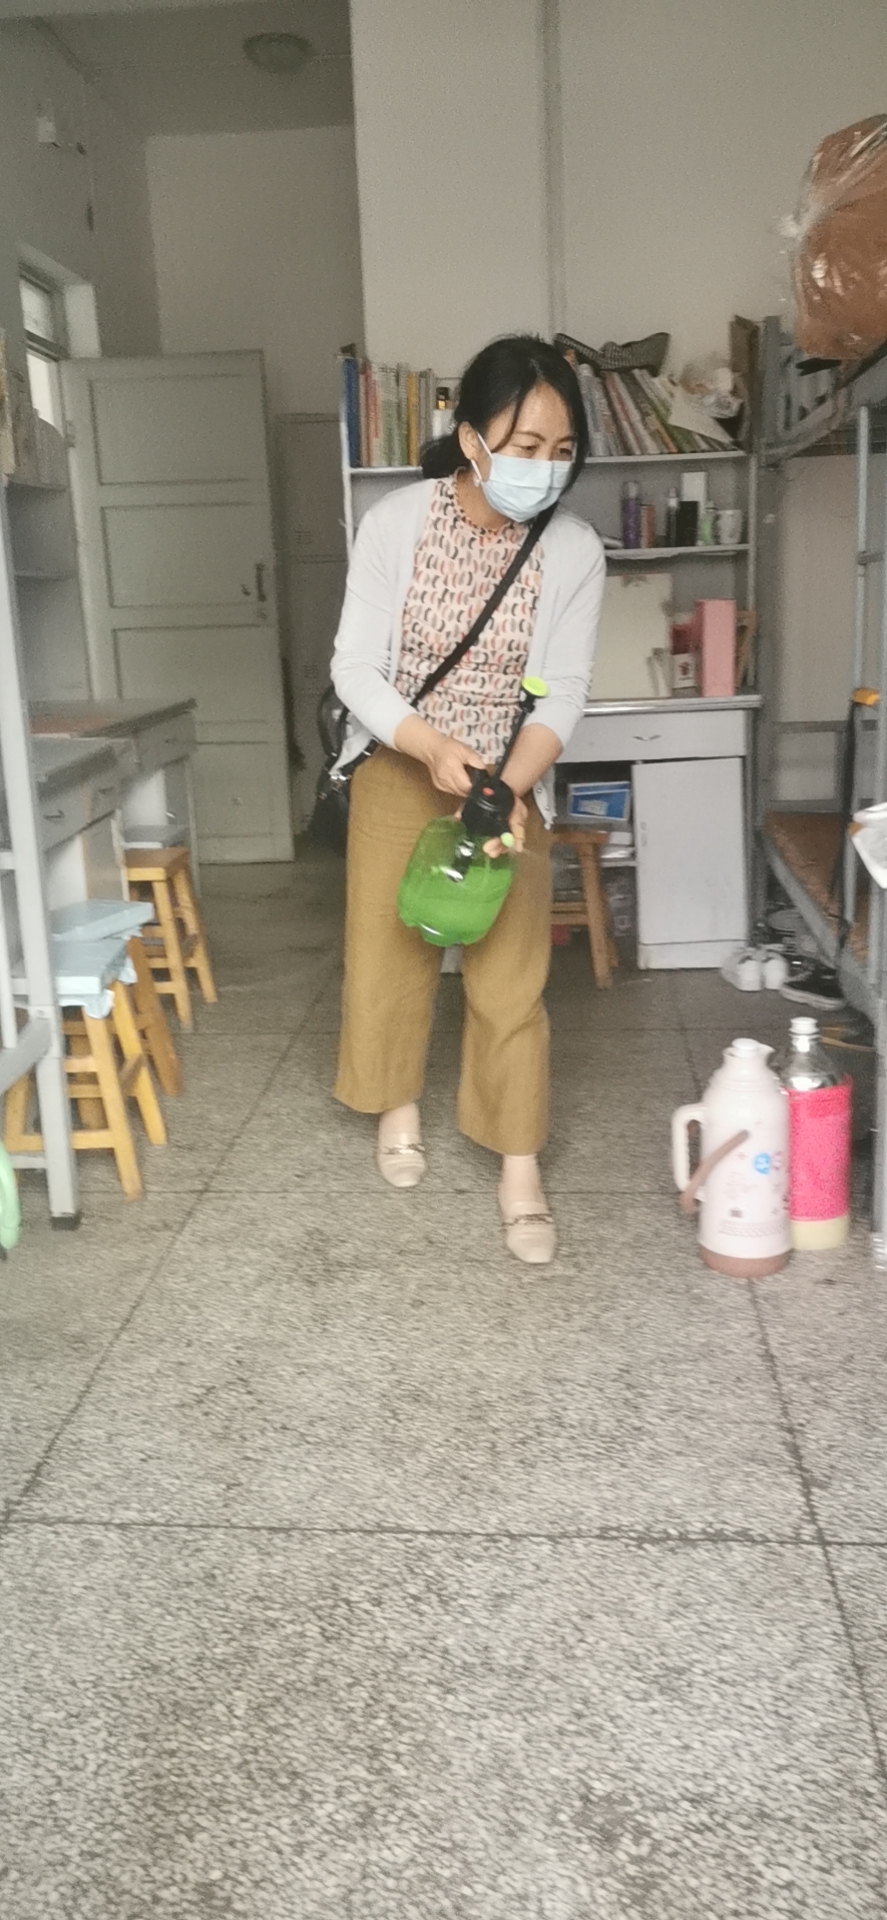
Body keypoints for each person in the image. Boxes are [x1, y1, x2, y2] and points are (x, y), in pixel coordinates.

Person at [330, 334, 605, 1266]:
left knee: (509, 972)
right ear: (471, 438)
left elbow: (562, 692)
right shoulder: (396, 523)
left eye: (561, 450)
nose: (544, 467)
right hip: (402, 761)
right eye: (525, 446)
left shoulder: (573, 549)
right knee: (390, 950)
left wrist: (504, 788)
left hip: (504, 779)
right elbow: (354, 668)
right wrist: (429, 746)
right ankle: (397, 1105)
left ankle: (518, 1164)